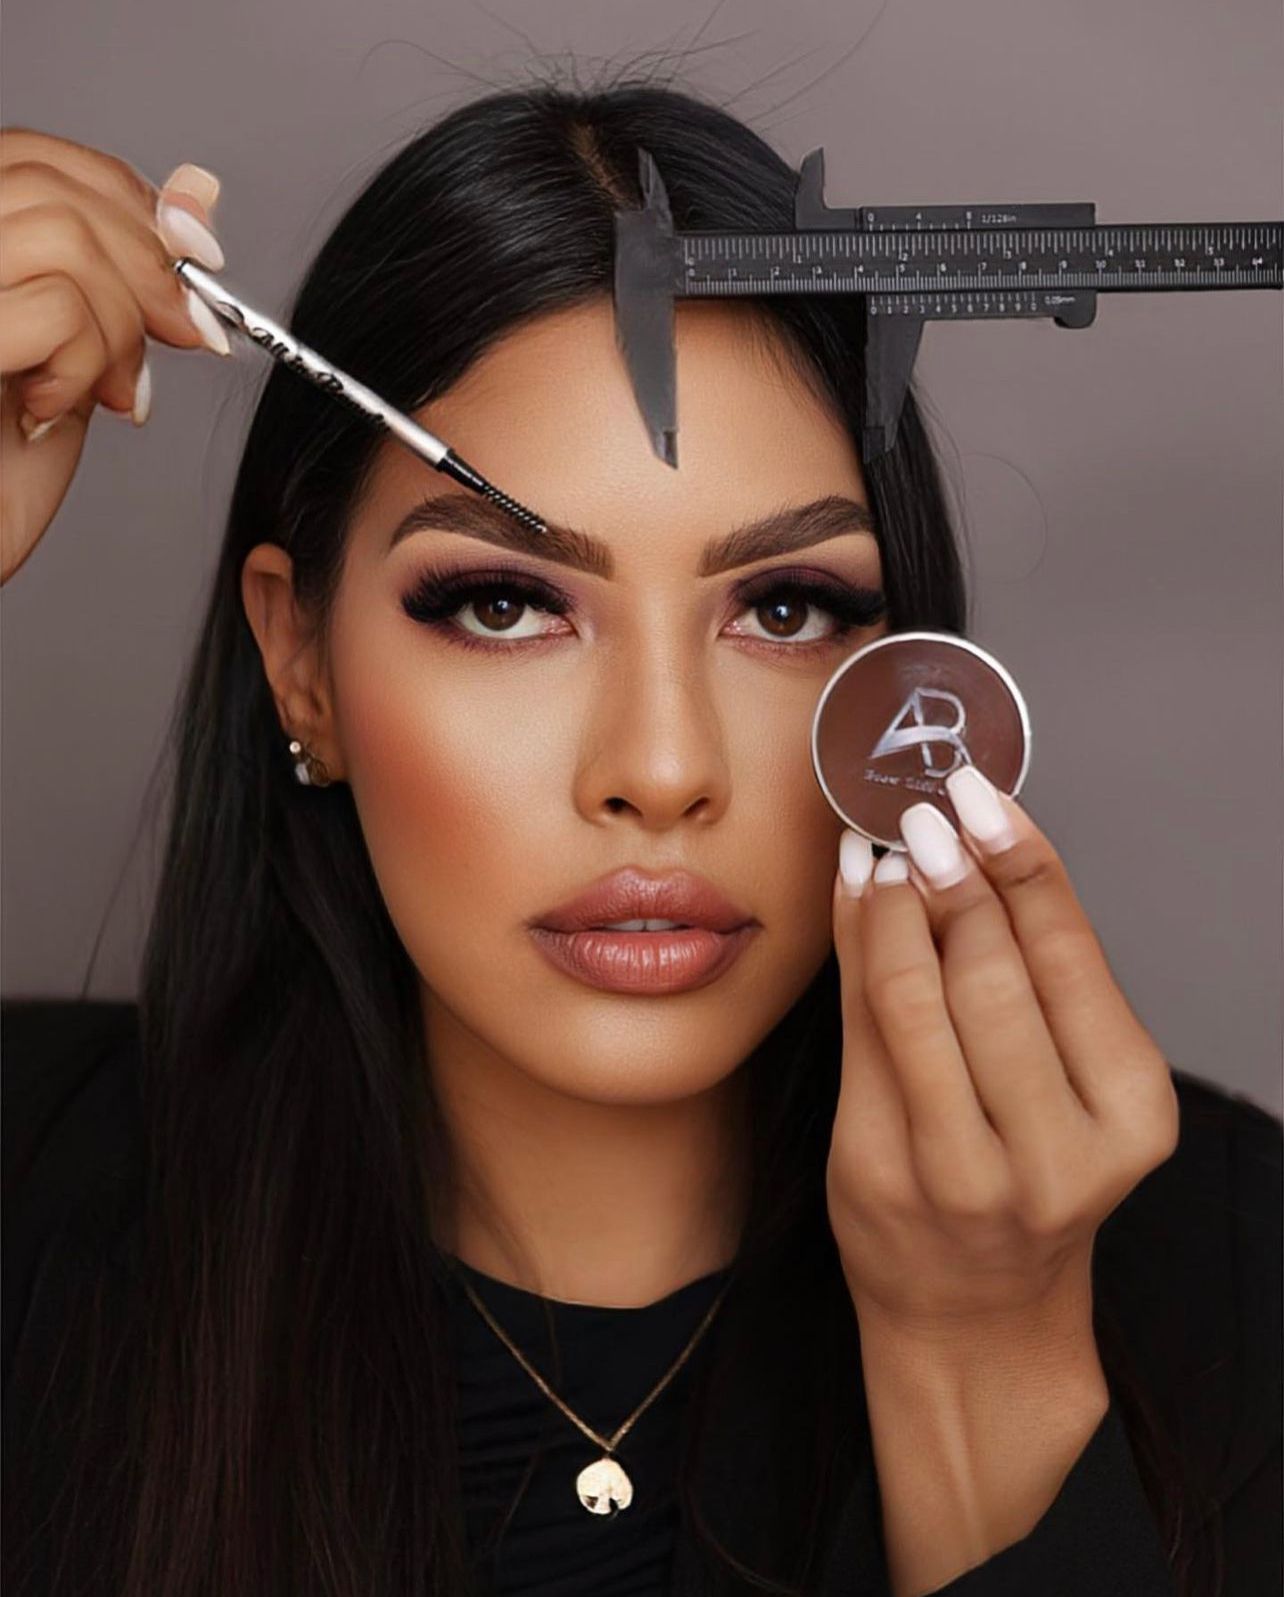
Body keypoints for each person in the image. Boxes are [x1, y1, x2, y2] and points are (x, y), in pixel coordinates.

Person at [1, 75, 1280, 1597]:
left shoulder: (1231, 1268)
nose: (661, 770)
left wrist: (981, 1359)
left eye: (787, 608)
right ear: (302, 666)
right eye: (504, 603)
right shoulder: (28, 1201)